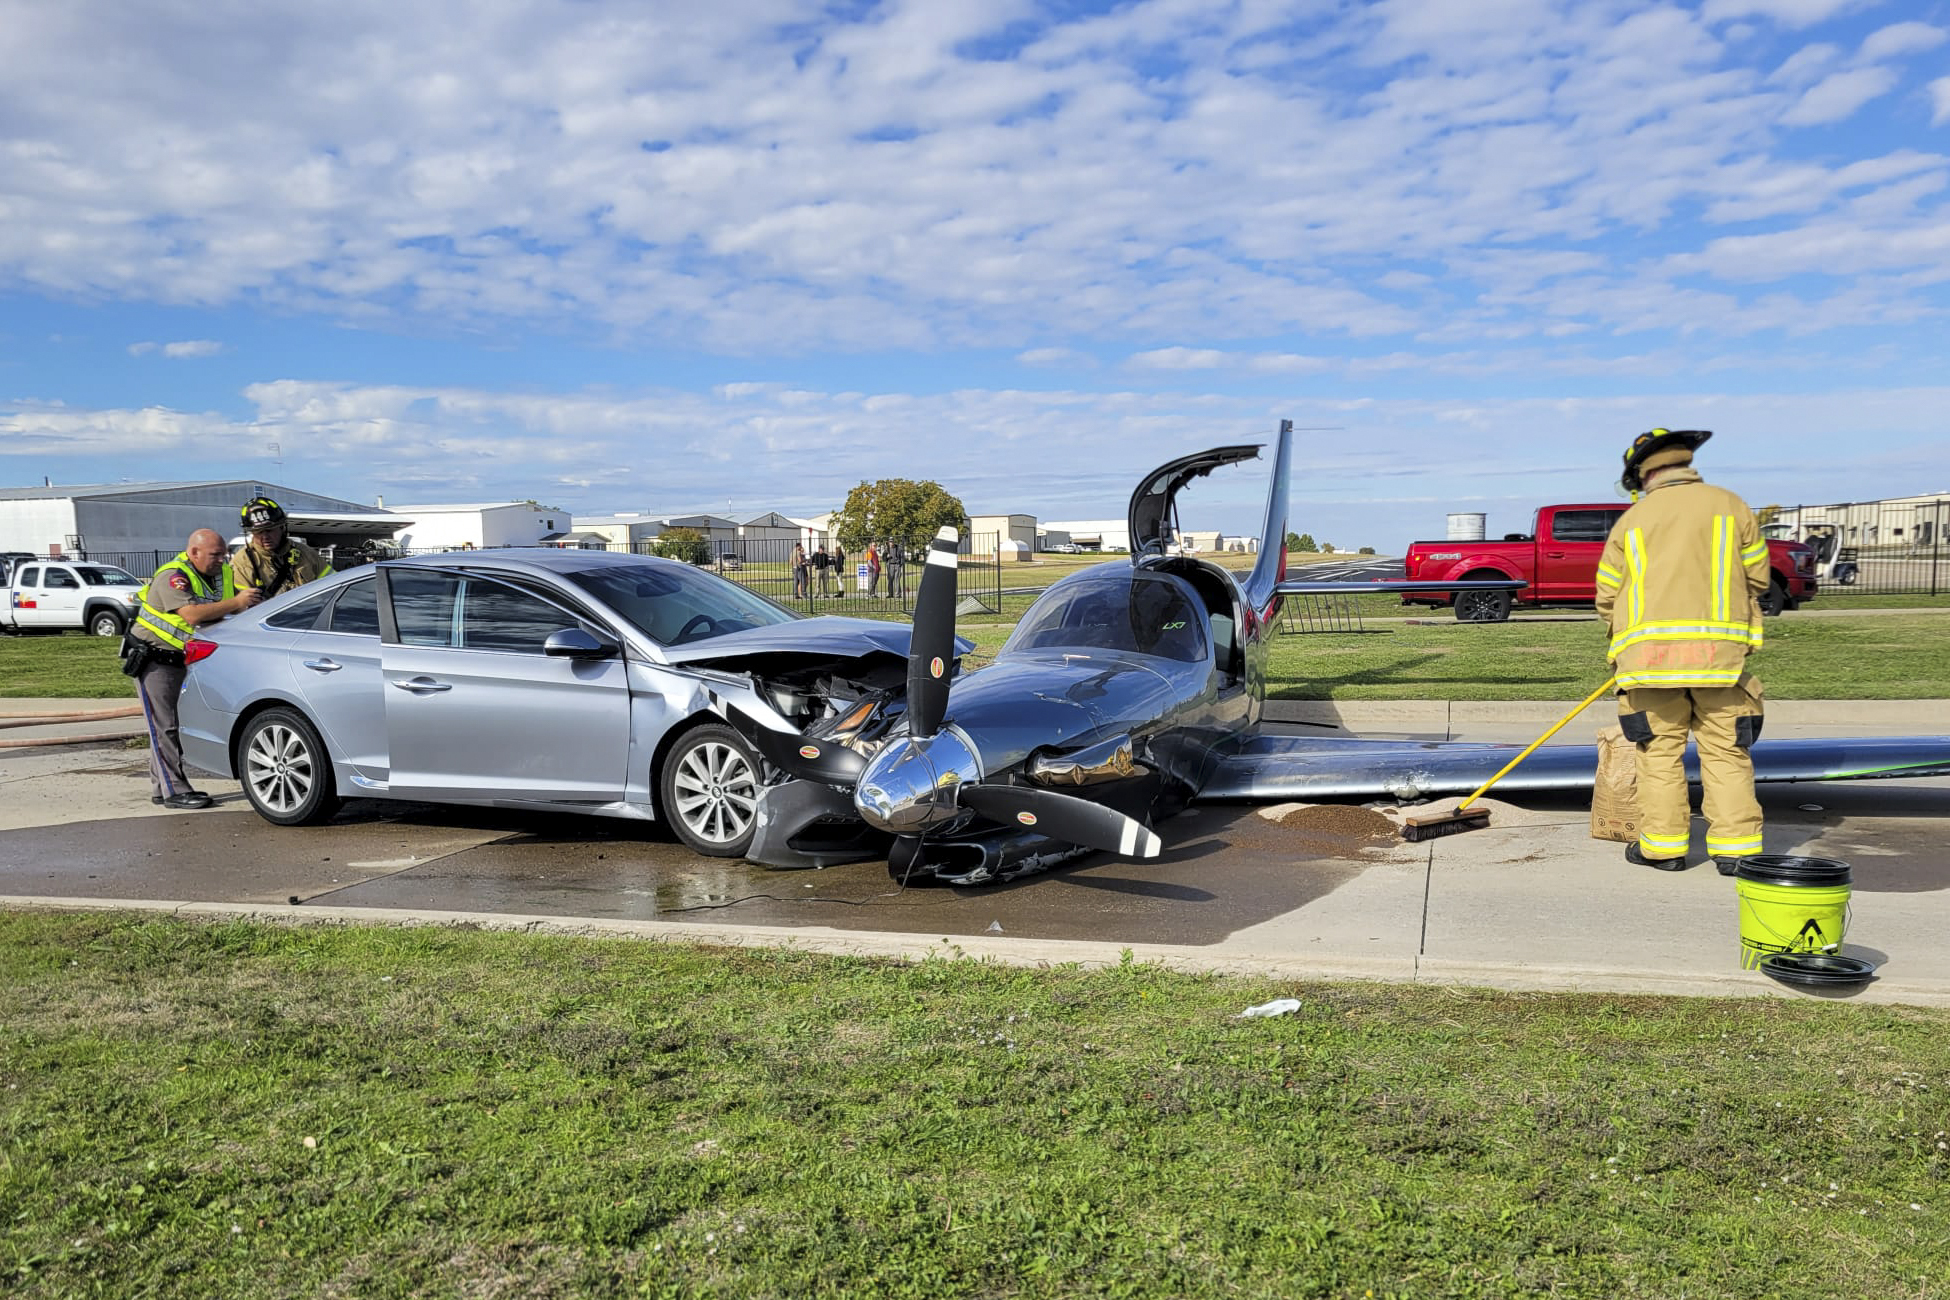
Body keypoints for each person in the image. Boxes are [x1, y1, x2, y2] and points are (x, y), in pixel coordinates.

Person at [1595, 429, 1768, 875]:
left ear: (1642, 474)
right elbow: (1759, 579)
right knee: (1727, 753)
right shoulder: (1731, 506)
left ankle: (1664, 848)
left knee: (1658, 755)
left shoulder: (1633, 520)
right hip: (1721, 662)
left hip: (1649, 665)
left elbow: (1607, 596)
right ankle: (1737, 851)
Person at [130, 529, 263, 809]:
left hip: (183, 659)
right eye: (215, 555)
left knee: (168, 725)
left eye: (223, 554)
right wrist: (238, 602)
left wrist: (243, 606)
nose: (221, 560)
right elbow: (190, 615)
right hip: (154, 659)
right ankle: (175, 791)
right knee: (163, 727)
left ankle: (161, 786)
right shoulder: (173, 576)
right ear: (194, 553)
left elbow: (220, 610)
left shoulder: (220, 575)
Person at [230, 496, 332, 599]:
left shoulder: (306, 554)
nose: (265, 537)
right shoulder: (242, 563)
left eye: (270, 530)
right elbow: (244, 607)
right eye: (259, 532)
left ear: (282, 527)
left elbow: (332, 584)